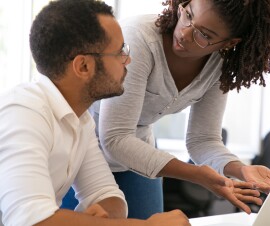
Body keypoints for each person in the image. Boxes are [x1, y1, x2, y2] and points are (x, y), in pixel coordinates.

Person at [63, 0, 270, 219]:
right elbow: (116, 138)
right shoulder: (140, 39)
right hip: (83, 147)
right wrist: (196, 175)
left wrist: (240, 169)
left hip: (138, 152)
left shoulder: (220, 66)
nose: (185, 33)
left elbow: (203, 140)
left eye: (204, 35)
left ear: (228, 43)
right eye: (188, 15)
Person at [0, 0, 191, 225]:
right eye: (120, 52)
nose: (128, 59)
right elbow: (30, 221)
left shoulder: (80, 119)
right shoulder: (24, 112)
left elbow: (108, 195)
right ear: (83, 66)